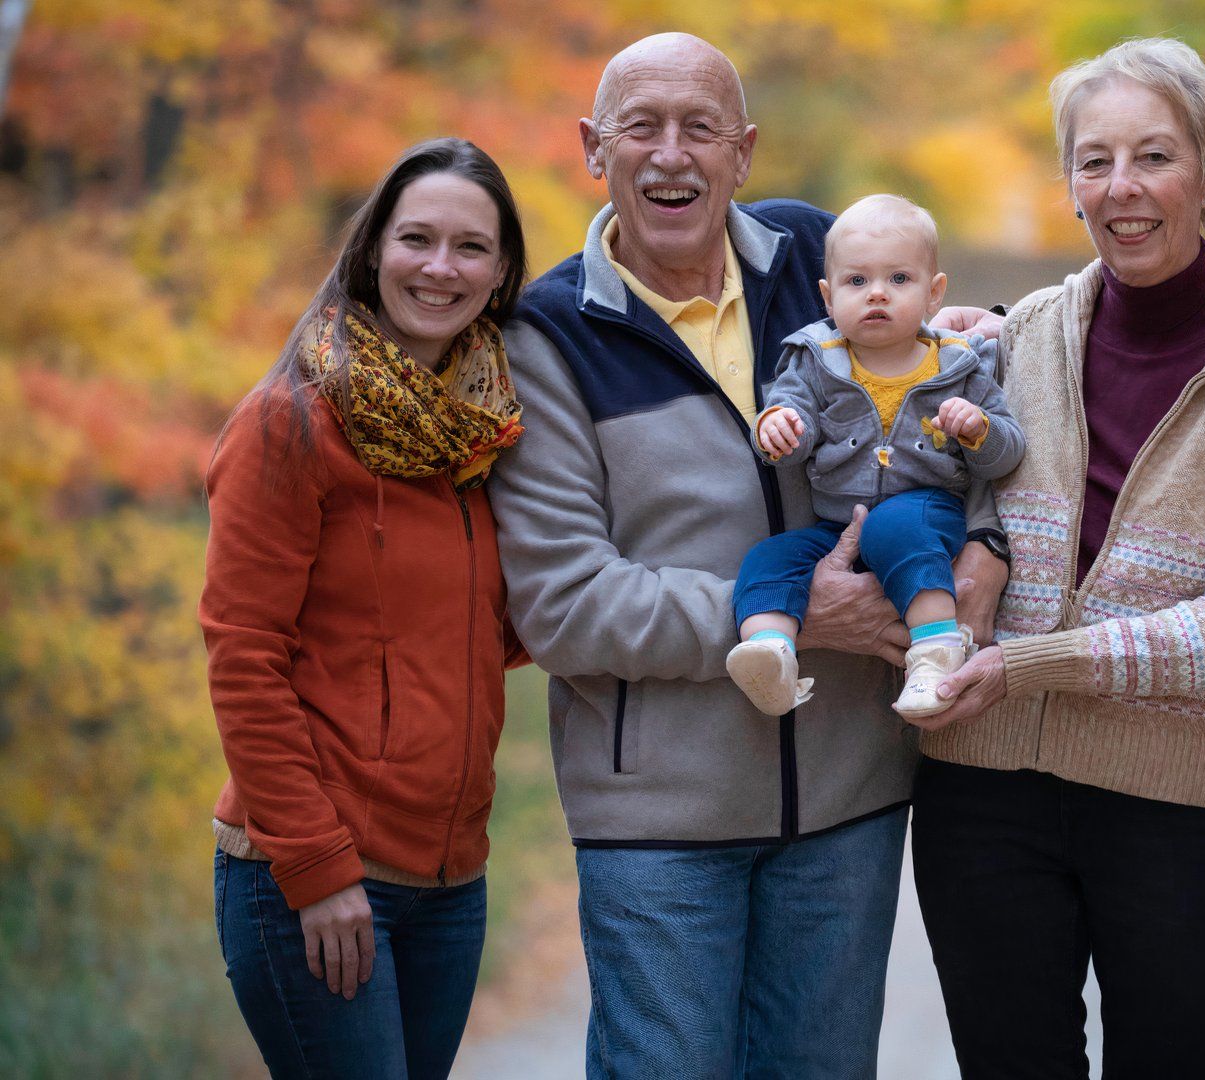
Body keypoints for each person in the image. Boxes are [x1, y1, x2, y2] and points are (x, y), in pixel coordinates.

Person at [485, 34, 1005, 1078]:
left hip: (848, 801)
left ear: (745, 152)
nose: (671, 155)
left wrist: (983, 543)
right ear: (594, 148)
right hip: (658, 823)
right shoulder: (546, 335)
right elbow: (564, 603)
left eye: (700, 128)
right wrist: (786, 615)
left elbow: (964, 395)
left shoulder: (824, 268)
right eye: (641, 127)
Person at [912, 38, 1205, 1078]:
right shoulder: (1018, 339)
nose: (1123, 187)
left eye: (1155, 156)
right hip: (985, 798)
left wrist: (1028, 663)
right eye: (1094, 161)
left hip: (1182, 810)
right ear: (1069, 186)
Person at [201, 137, 529, 1078]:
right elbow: (242, 658)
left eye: (471, 247)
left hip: (451, 880)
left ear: (502, 269)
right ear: (372, 248)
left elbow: (479, 639)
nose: (440, 267)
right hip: (313, 875)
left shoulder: (484, 432)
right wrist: (316, 868)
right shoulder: (290, 423)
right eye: (416, 238)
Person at [731, 194, 1025, 720]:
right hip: (837, 524)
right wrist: (776, 430)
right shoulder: (814, 361)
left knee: (896, 530)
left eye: (899, 280)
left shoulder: (959, 364)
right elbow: (788, 432)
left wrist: (979, 430)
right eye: (857, 281)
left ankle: (935, 656)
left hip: (924, 509)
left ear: (935, 293)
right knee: (770, 560)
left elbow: (1007, 453)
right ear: (827, 296)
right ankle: (769, 654)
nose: (877, 295)